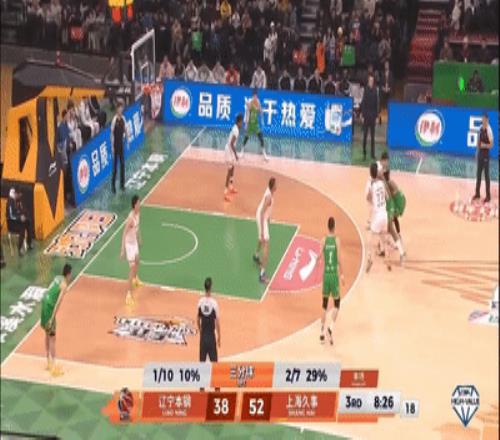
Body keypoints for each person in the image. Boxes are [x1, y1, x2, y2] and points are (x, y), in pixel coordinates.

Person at [40, 263, 72, 377]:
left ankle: (48, 362)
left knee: (47, 334)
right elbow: (58, 303)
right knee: (52, 338)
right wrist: (52, 318)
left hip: (44, 303)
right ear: (68, 274)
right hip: (49, 308)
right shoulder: (64, 285)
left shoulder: (57, 278)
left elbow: (50, 290)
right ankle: (53, 367)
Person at [318, 216, 345, 345]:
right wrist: (342, 274)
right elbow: (339, 259)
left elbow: (319, 255)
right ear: (334, 227)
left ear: (327, 227)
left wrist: (317, 259)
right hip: (334, 275)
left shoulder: (323, 240)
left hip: (326, 275)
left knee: (324, 304)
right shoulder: (337, 241)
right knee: (337, 304)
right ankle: (330, 328)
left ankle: (321, 333)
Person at [365, 163, 391, 273]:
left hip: (378, 215)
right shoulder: (382, 183)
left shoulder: (371, 184)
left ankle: (369, 258)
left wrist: (371, 197)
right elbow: (387, 197)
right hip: (385, 214)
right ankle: (387, 259)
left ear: (371, 173)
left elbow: (368, 198)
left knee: (370, 237)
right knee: (383, 238)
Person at [254, 177, 277, 284]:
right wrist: (263, 231)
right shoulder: (269, 197)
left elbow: (266, 210)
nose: (277, 186)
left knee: (260, 239)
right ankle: (262, 275)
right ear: (273, 186)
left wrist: (269, 217)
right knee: (266, 246)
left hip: (261, 216)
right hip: (261, 218)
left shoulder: (270, 192)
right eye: (276, 184)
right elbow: (262, 212)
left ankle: (256, 255)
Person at [120, 195, 142, 306]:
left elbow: (137, 228)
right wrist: (122, 250)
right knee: (132, 269)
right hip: (129, 245)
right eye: (138, 203)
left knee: (138, 260)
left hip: (134, 243)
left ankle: (135, 279)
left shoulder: (138, 214)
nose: (140, 204)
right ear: (134, 205)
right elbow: (124, 233)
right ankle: (128, 295)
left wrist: (139, 238)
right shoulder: (130, 219)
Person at [383, 170, 406, 264]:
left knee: (390, 223)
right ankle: (396, 238)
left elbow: (390, 199)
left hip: (398, 203)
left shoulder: (388, 184)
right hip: (401, 200)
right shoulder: (390, 181)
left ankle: (395, 242)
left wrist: (390, 210)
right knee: (392, 221)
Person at [197, 277, 221, 362]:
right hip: (211, 338)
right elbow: (217, 322)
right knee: (215, 364)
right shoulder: (214, 304)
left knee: (202, 364)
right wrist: (219, 337)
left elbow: (198, 319)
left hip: (203, 337)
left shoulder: (200, 302)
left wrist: (200, 330)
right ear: (211, 288)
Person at [241, 89, 269, 161]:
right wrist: (246, 124)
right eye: (254, 96)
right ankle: (242, 151)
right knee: (246, 138)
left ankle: (264, 154)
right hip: (250, 124)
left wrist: (262, 120)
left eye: (256, 96)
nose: (255, 97)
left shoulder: (258, 102)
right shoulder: (250, 103)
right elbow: (247, 113)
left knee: (261, 138)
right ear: (252, 96)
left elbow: (261, 111)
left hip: (256, 124)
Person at [7, 187, 34, 256]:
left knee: (28, 222)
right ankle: (20, 248)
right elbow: (10, 216)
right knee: (22, 228)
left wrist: (24, 215)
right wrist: (19, 218)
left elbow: (20, 210)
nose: (20, 196)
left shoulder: (18, 200)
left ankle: (29, 243)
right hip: (11, 223)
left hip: (18, 221)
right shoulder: (10, 202)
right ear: (16, 193)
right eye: (19, 195)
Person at [473, 113, 494, 203]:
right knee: (478, 175)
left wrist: (484, 145)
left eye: (485, 120)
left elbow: (491, 145)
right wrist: (476, 152)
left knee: (486, 176)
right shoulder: (480, 128)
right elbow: (478, 141)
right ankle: (477, 194)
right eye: (482, 119)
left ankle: (488, 196)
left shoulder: (489, 130)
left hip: (486, 155)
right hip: (480, 154)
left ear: (487, 120)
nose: (483, 121)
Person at [224, 114, 243, 202]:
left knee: (233, 168)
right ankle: (225, 193)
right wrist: (236, 155)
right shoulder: (236, 131)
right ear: (239, 122)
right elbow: (231, 144)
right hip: (229, 151)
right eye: (241, 122)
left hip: (230, 150)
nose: (242, 124)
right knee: (229, 171)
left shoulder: (236, 128)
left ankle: (231, 186)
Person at [110, 102, 128, 193]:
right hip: (115, 145)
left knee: (122, 164)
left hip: (121, 144)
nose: (121, 110)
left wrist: (127, 139)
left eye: (122, 108)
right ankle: (113, 186)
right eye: (120, 108)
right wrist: (112, 147)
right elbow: (111, 134)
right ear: (117, 109)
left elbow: (126, 129)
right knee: (115, 167)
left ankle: (122, 184)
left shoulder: (123, 119)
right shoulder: (114, 120)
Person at [360, 75, 379, 160]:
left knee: (372, 136)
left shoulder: (375, 90)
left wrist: (377, 116)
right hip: (366, 116)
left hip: (373, 116)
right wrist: (362, 115)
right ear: (368, 81)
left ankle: (372, 154)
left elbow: (377, 103)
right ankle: (364, 152)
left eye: (372, 80)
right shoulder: (366, 90)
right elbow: (363, 103)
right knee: (365, 135)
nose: (371, 82)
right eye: (370, 80)